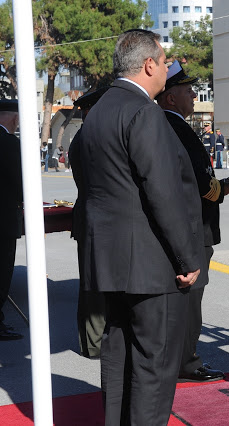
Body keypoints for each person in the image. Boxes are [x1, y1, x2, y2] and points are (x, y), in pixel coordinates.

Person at [74, 29, 204, 425]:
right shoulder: (143, 111)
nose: (167, 69)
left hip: (109, 263)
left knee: (117, 361)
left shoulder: (97, 113)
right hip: (150, 266)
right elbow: (162, 191)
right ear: (149, 64)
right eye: (165, 62)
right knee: (153, 367)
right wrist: (187, 256)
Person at [157, 61, 229, 382]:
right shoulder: (176, 127)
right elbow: (200, 183)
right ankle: (187, 362)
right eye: (188, 92)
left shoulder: (164, 124)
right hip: (193, 228)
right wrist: (221, 188)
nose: (194, 97)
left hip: (185, 226)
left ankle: (177, 358)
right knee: (191, 300)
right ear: (171, 98)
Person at [69, 86, 110, 358]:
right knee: (94, 284)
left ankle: (94, 341)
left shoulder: (84, 137)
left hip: (91, 216)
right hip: (96, 218)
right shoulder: (90, 139)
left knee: (95, 282)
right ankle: (93, 343)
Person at [0, 99, 23, 341]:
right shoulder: (9, 143)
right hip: (4, 220)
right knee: (2, 273)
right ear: (15, 118)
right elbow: (21, 183)